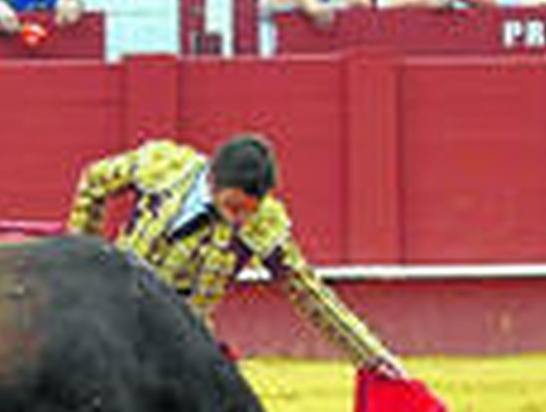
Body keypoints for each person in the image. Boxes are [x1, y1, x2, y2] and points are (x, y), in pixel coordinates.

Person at [65, 134, 404, 378]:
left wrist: (372, 356)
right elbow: (94, 182)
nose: (240, 220)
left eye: (249, 211)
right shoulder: (163, 165)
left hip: (178, 338)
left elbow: (308, 292)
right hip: (110, 308)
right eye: (234, 207)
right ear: (212, 180)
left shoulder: (263, 222)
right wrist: (84, 257)